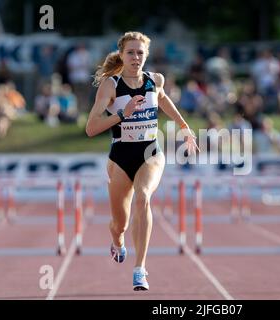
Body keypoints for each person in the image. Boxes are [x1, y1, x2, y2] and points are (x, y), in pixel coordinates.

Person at [85, 31, 199, 291]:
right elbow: (91, 128)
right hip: (120, 157)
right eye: (130, 52)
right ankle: (118, 242)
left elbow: (163, 99)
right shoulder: (110, 86)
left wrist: (184, 127)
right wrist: (122, 114)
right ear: (122, 55)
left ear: (146, 55)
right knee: (119, 224)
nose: (136, 57)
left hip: (151, 153)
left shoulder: (155, 79)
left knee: (143, 197)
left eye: (140, 53)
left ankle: (140, 269)